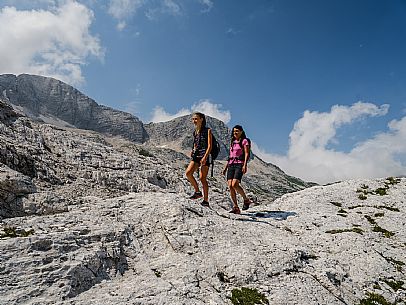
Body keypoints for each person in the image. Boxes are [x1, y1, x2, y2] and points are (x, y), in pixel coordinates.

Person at [222, 125, 251, 214]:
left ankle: (246, 200)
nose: (235, 132)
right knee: (230, 186)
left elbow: (246, 153)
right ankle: (236, 207)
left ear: (241, 132)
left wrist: (245, 165)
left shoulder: (244, 141)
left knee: (235, 184)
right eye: (234, 131)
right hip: (231, 164)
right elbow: (231, 156)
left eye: (237, 131)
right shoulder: (232, 142)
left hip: (239, 164)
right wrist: (225, 168)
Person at [185, 112, 212, 207]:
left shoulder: (208, 130)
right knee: (188, 172)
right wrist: (192, 150)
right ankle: (197, 191)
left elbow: (210, 146)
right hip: (196, 155)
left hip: (205, 155)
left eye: (196, 119)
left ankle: (206, 200)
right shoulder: (195, 132)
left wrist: (205, 157)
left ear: (202, 119)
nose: (194, 121)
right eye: (193, 119)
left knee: (202, 178)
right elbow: (196, 143)